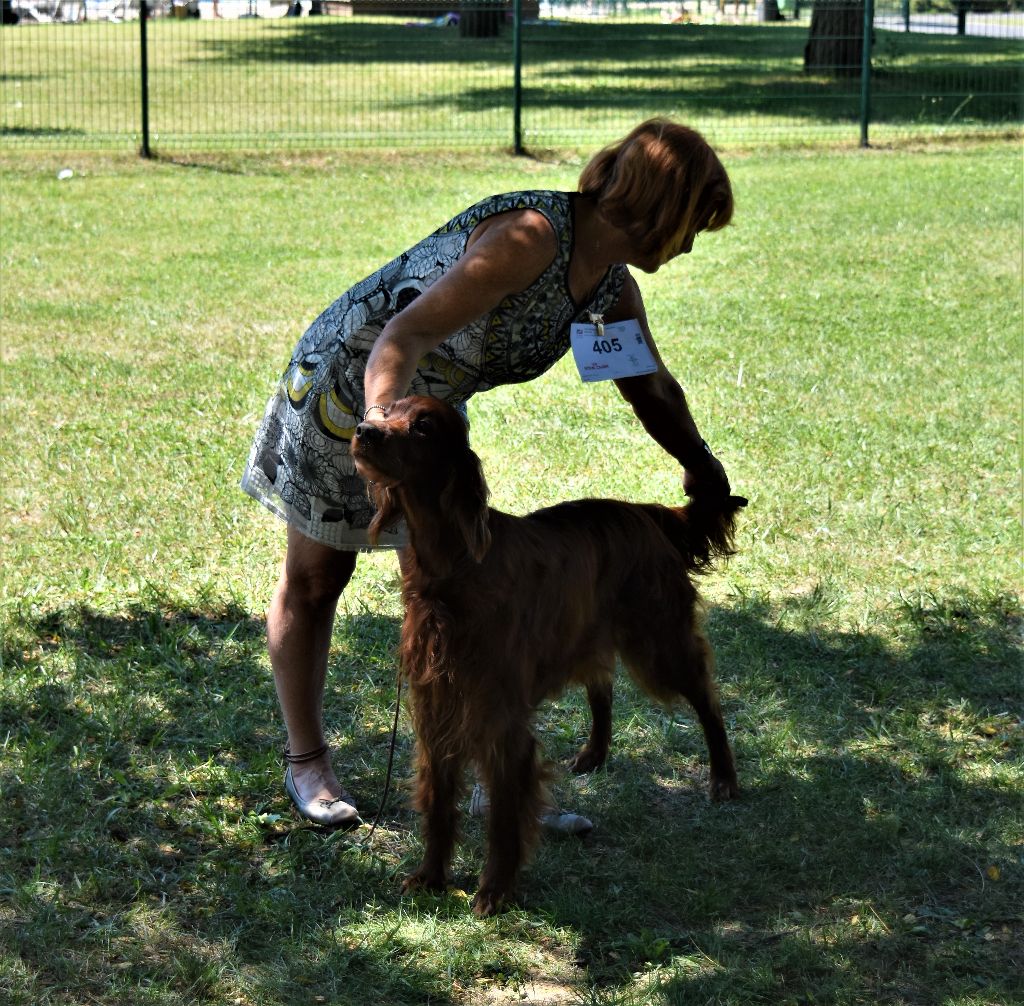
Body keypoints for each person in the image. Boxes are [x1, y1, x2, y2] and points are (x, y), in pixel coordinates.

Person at [242, 118, 735, 830]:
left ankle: (490, 780)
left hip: (429, 424)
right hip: (357, 384)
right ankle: (307, 762)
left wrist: (701, 464)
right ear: (666, 206)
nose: (691, 244)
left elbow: (649, 387)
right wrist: (386, 432)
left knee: (461, 594)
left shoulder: (607, 289)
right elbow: (401, 336)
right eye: (695, 224)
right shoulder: (532, 238)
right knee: (319, 578)